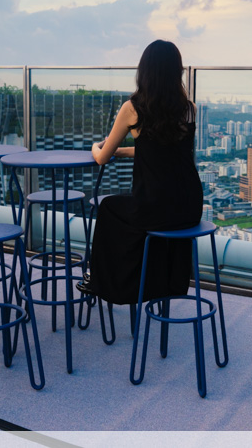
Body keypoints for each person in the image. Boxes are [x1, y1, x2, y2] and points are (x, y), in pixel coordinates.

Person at [78, 39, 203, 305]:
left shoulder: (133, 108)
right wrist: (124, 152)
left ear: (144, 71)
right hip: (190, 206)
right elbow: (165, 153)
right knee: (134, 214)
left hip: (156, 207)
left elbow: (101, 158)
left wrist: (95, 146)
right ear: (176, 72)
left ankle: (99, 279)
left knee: (110, 208)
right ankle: (155, 281)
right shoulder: (189, 109)